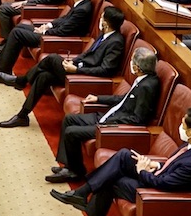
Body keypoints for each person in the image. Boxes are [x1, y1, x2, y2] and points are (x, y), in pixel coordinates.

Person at [53, 108, 191, 216]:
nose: (180, 126)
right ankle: (82, 193)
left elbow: (163, 184)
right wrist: (155, 164)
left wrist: (143, 170)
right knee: (124, 155)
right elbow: (173, 166)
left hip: (160, 192)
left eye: (183, 124)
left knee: (113, 181)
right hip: (160, 174)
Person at [0, 7, 126, 128]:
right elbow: (87, 54)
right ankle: (22, 115)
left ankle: (22, 80)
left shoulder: (116, 42)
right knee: (44, 76)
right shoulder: (104, 35)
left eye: (102, 17)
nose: (100, 19)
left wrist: (76, 70)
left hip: (84, 77)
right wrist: (73, 62)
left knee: (52, 58)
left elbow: (105, 70)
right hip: (77, 68)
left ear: (106, 23)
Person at [47, 47, 161, 183]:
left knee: (72, 132)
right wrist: (98, 98)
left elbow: (138, 119)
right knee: (69, 119)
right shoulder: (143, 80)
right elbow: (124, 99)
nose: (129, 62)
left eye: (131, 61)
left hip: (113, 125)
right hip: (108, 116)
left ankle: (75, 172)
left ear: (137, 68)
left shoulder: (147, 87)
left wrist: (110, 122)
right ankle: (71, 167)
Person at [0, 0, 95, 79]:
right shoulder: (82, 4)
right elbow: (64, 19)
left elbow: (65, 30)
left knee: (17, 34)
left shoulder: (82, 10)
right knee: (20, 27)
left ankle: (4, 70)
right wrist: (48, 25)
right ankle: (2, 68)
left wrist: (44, 32)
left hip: (56, 40)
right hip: (53, 33)